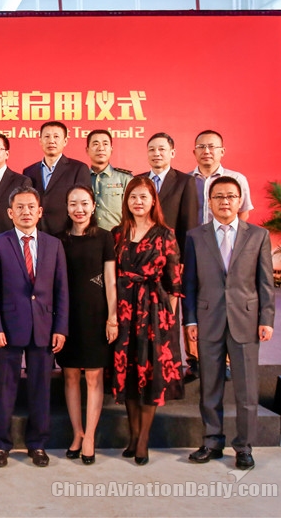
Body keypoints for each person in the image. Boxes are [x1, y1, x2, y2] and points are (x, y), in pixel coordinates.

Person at [184, 176, 275, 470]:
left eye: (231, 196)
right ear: (209, 202)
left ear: (240, 201)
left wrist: (266, 319)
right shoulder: (195, 236)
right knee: (209, 388)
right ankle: (212, 442)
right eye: (219, 196)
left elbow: (266, 282)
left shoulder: (258, 235)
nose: (225, 201)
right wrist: (190, 320)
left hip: (245, 321)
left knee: (246, 391)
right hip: (208, 319)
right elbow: (189, 284)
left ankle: (244, 447)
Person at [0, 185, 68, 468]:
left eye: (31, 207)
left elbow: (62, 290)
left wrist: (60, 327)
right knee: (3, 389)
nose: (26, 212)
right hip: (7, 329)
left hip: (44, 327)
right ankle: (0, 444)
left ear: (40, 211)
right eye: (19, 207)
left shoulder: (54, 245)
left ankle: (38, 444)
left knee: (40, 389)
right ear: (10, 212)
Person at [111, 176, 184, 466]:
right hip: (124, 310)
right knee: (129, 374)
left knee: (150, 375)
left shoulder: (165, 234)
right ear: (126, 201)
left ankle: (143, 440)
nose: (138, 202)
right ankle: (132, 436)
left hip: (154, 312)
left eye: (143, 196)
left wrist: (169, 321)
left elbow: (174, 283)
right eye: (133, 197)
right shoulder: (117, 234)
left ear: (153, 200)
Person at [56, 186, 118, 465]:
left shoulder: (105, 237)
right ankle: (77, 433)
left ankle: (90, 436)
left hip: (96, 316)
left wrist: (112, 317)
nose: (79, 209)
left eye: (84, 203)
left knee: (94, 377)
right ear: (66, 207)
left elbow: (110, 280)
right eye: (73, 204)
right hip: (67, 317)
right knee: (70, 376)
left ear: (93, 206)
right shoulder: (58, 240)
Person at [141, 132, 199, 378]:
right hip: (142, 261)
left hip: (171, 261)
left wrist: (184, 260)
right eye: (152, 149)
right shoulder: (139, 181)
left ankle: (171, 367)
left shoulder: (185, 182)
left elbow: (189, 224)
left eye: (162, 149)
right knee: (144, 315)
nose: (156, 154)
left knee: (170, 315)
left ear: (172, 153)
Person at [23, 121, 91, 235]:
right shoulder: (29, 171)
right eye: (47, 137)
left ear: (65, 141)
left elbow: (84, 203)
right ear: (40, 141)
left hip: (67, 233)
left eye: (56, 136)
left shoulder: (78, 168)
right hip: (37, 233)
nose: (51, 141)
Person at [190, 130, 253, 224]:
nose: (206, 151)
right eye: (201, 147)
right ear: (194, 152)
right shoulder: (185, 180)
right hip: (192, 233)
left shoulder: (237, 179)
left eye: (211, 146)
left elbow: (243, 212)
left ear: (222, 151)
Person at [86, 129, 132, 231]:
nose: (101, 148)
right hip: (88, 236)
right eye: (95, 144)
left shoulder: (125, 178)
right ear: (87, 150)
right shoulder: (81, 177)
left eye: (105, 144)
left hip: (116, 237)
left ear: (111, 149)